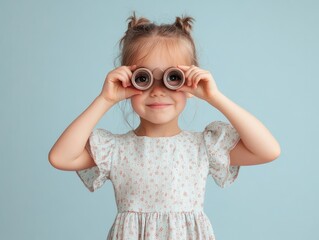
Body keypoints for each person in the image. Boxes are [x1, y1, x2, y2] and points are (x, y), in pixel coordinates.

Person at [48, 12, 281, 240]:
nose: (157, 90)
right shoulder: (115, 149)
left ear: (190, 82)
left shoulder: (203, 146)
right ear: (127, 81)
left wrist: (215, 97)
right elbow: (61, 157)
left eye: (173, 78)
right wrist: (105, 99)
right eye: (143, 78)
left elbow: (268, 150)